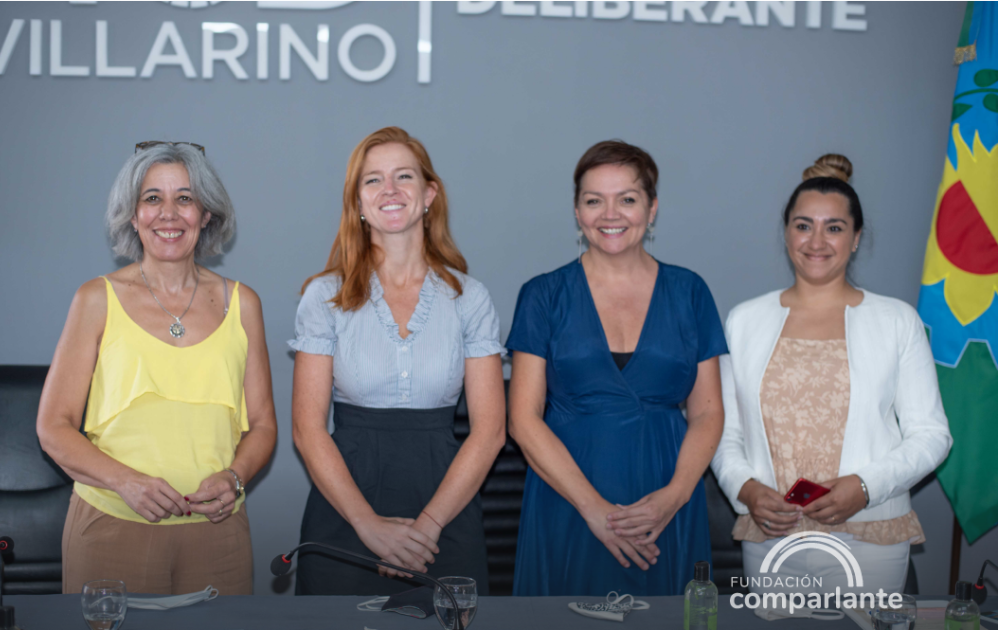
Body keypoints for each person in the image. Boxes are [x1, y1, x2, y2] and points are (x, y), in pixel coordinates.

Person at [37, 142, 276, 595]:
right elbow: (53, 427)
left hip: (218, 536)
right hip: (110, 529)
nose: (169, 213)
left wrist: (235, 476)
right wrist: (126, 482)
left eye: (184, 198)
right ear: (133, 214)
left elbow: (263, 425)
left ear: (206, 215)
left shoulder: (243, 304)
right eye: (152, 199)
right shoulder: (95, 299)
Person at [711, 154, 952, 596]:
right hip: (772, 535)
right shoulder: (743, 321)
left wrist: (865, 487)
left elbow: (932, 435)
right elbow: (724, 434)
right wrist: (746, 490)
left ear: (857, 238)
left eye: (834, 228)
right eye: (803, 225)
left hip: (869, 536)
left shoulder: (897, 321)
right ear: (786, 233)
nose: (816, 241)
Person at [290, 126, 506, 596]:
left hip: (446, 507)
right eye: (372, 180)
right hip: (346, 508)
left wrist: (428, 527)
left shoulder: (469, 298)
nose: (389, 190)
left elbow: (490, 431)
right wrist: (368, 526)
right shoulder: (323, 296)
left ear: (429, 194)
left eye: (403, 176)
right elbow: (307, 430)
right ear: (358, 203)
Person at [506, 140, 727, 596]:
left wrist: (676, 495)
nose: (611, 214)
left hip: (666, 502)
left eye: (627, 199)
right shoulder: (542, 295)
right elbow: (523, 420)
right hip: (569, 500)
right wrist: (594, 511)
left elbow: (707, 412)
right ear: (576, 211)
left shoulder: (690, 291)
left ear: (652, 208)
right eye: (594, 201)